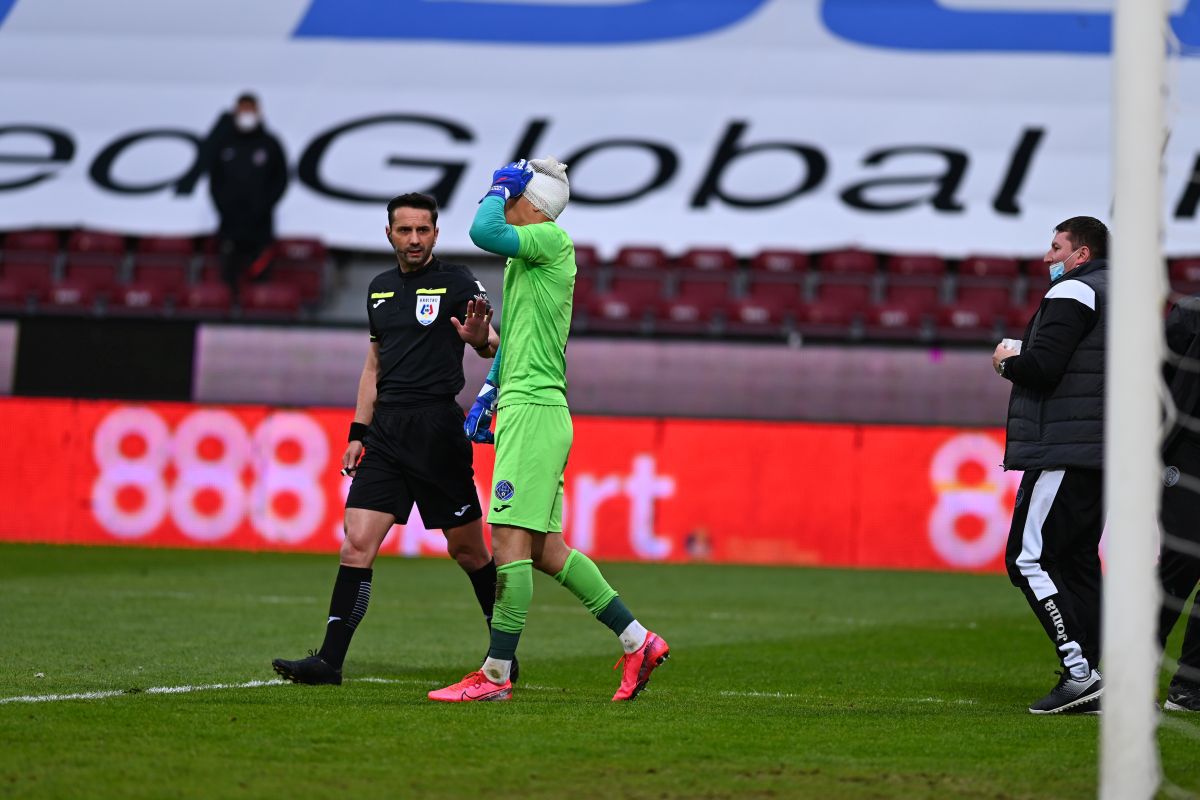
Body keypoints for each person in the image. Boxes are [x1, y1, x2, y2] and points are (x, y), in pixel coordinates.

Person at [427, 158, 670, 703]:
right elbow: (515, 344)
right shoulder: (532, 260)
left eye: (514, 198)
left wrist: (498, 185)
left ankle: (494, 677)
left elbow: (482, 230)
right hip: (529, 407)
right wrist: (483, 344)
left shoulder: (549, 241)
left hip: (534, 412)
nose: (506, 207)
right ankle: (639, 640)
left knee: (508, 543)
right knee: (546, 551)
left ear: (529, 204)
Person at [272, 192, 508, 685]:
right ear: (389, 235)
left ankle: (502, 652)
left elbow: (490, 343)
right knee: (356, 544)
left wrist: (480, 338)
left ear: (436, 234)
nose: (415, 239)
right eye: (405, 230)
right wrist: (358, 432)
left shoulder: (458, 281)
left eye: (423, 230)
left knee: (469, 552)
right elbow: (373, 367)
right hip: (386, 433)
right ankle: (329, 661)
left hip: (438, 431)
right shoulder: (379, 290)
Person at [992, 216, 1109, 715]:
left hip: (1065, 446)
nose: (1047, 257)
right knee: (1077, 564)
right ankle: (1106, 677)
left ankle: (1080, 673)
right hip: (1102, 448)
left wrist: (1006, 361)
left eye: (1056, 247)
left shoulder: (1074, 292)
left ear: (1080, 254)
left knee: (1029, 558)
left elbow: (1044, 367)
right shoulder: (1122, 293)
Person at [1157, 294, 1200, 711]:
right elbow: (1156, 374)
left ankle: (1189, 688)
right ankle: (1128, 672)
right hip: (1188, 450)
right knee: (1181, 560)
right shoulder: (1190, 315)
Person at [205, 92, 288, 297]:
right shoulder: (224, 143)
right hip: (229, 225)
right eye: (242, 110)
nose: (246, 115)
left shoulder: (270, 144)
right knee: (228, 279)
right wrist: (224, 207)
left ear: (258, 112)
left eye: (250, 110)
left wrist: (265, 205)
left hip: (260, 225)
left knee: (259, 281)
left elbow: (281, 179)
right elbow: (214, 180)